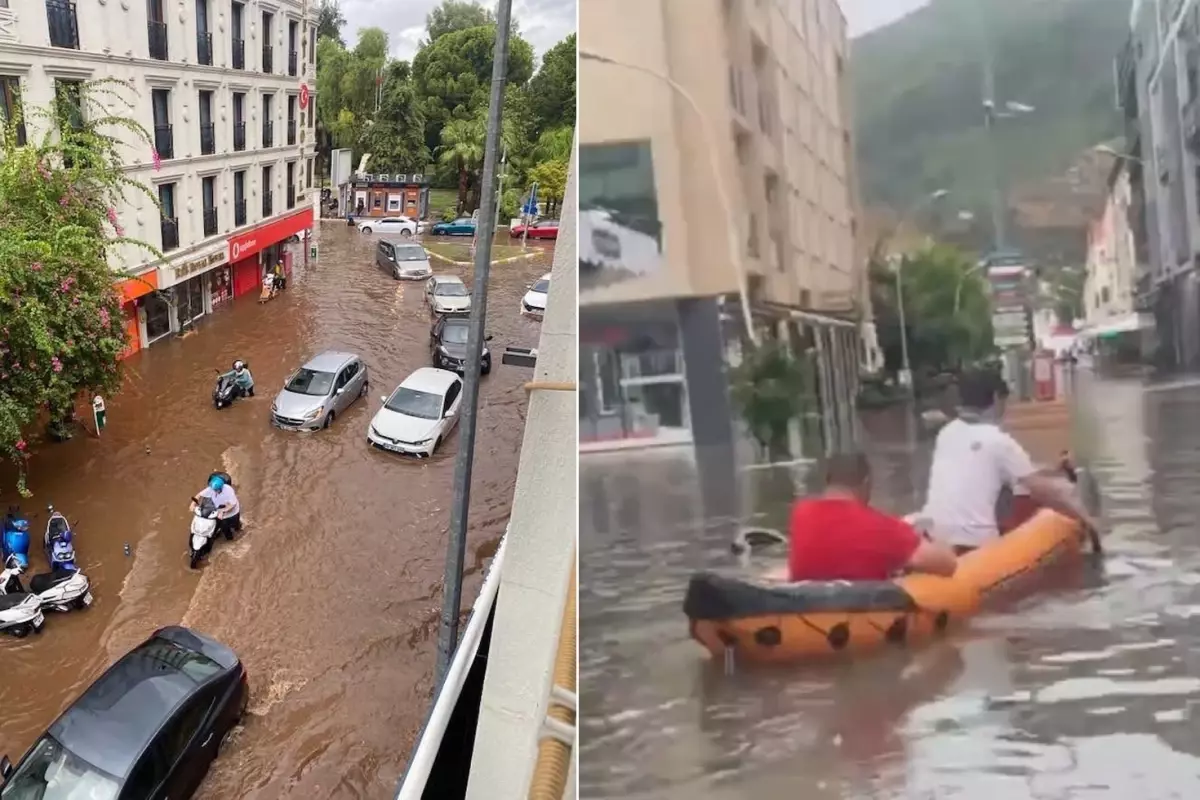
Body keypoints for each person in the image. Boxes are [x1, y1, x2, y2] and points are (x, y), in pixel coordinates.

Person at [922, 368, 1097, 553]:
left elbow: (985, 469)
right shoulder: (1000, 441)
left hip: (935, 537)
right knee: (1063, 488)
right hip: (974, 542)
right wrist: (1088, 519)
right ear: (997, 398)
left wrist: (1053, 469)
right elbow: (1041, 489)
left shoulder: (946, 432)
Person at [788, 452, 957, 581]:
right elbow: (948, 566)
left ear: (828, 482)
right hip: (862, 609)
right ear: (866, 482)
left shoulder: (800, 514)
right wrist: (941, 543)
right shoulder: (881, 526)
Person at [190, 474, 241, 541]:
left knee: (235, 526)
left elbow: (232, 505)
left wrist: (223, 511)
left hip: (232, 513)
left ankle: (236, 533)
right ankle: (227, 536)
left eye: (215, 490)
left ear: (220, 488)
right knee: (224, 528)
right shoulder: (212, 489)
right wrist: (193, 503)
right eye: (213, 489)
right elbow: (199, 495)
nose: (213, 491)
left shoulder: (228, 491)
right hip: (220, 513)